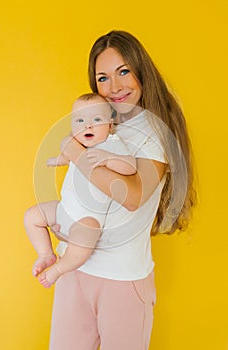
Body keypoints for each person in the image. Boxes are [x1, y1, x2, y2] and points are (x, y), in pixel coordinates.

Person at [49, 31, 197, 350]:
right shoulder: (99, 122)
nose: (114, 87)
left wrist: (74, 153)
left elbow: (132, 196)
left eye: (124, 71)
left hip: (121, 279)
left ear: (142, 71)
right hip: (75, 268)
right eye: (103, 78)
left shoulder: (155, 131)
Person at [24, 92, 136, 288]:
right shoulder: (78, 144)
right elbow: (69, 156)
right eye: (80, 120)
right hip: (64, 209)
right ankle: (46, 254)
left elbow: (131, 166)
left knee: (83, 243)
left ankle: (59, 269)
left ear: (110, 125)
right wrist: (61, 160)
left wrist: (108, 158)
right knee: (32, 216)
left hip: (88, 217)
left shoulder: (112, 145)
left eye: (97, 119)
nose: (88, 125)